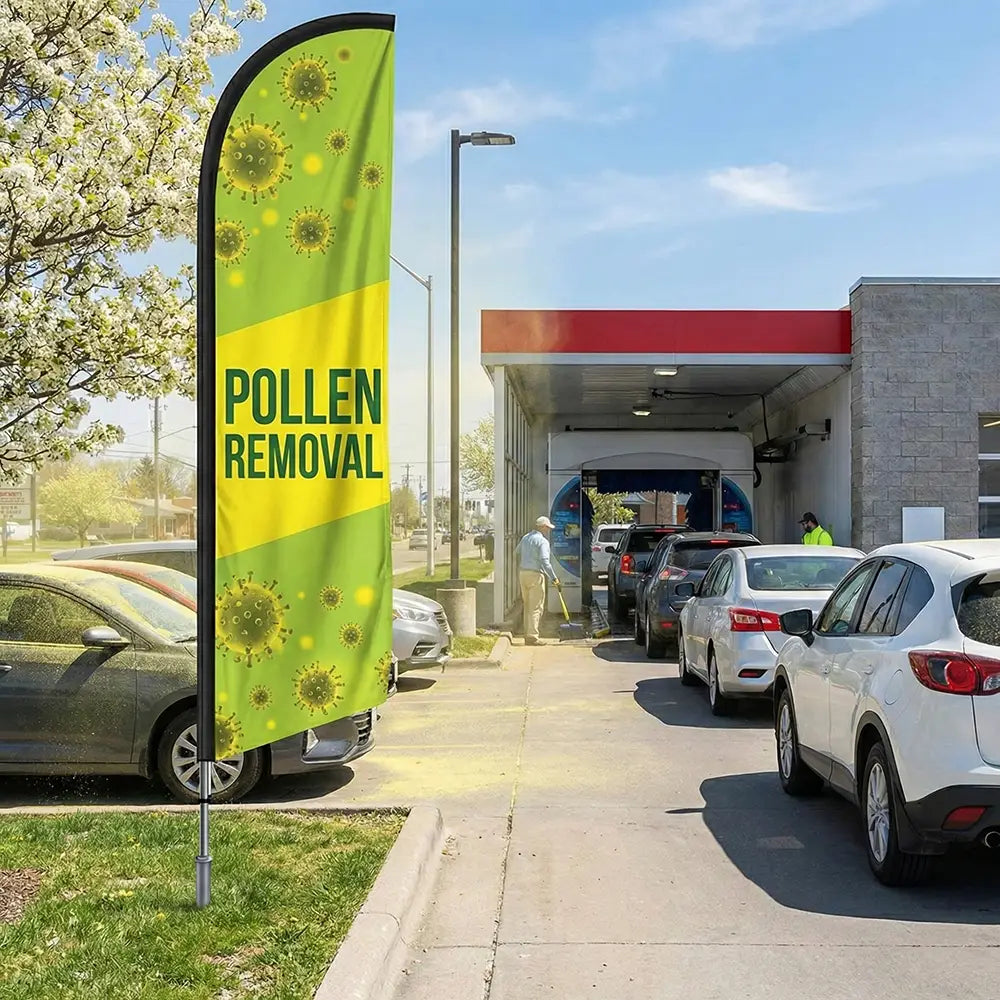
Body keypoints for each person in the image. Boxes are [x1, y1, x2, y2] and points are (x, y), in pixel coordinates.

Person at [516, 516, 560, 645]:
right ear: (543, 527)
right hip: (536, 575)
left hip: (523, 573)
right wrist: (554, 578)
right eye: (547, 527)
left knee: (527, 605)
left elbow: (516, 552)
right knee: (535, 607)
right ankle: (532, 637)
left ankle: (527, 633)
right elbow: (545, 561)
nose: (548, 530)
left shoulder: (525, 538)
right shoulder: (542, 541)